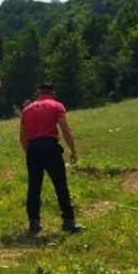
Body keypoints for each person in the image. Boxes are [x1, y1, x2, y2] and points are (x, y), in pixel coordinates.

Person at [18, 81, 84, 234]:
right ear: (52, 92)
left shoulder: (27, 110)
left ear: (39, 93)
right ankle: (68, 221)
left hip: (33, 148)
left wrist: (29, 152)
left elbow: (22, 137)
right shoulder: (56, 106)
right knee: (60, 184)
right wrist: (73, 150)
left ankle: (34, 222)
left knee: (34, 187)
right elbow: (65, 129)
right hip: (50, 147)